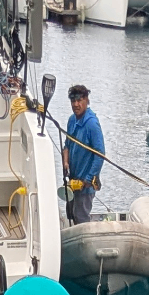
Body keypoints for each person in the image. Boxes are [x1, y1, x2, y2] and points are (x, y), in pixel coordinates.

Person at [63, 84, 105, 226]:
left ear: (86, 100)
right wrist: (65, 162)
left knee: (80, 216)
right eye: (73, 101)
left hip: (85, 185)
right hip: (72, 181)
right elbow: (67, 146)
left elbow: (100, 154)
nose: (76, 104)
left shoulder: (92, 124)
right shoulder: (72, 120)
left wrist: (88, 179)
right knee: (70, 213)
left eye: (79, 100)